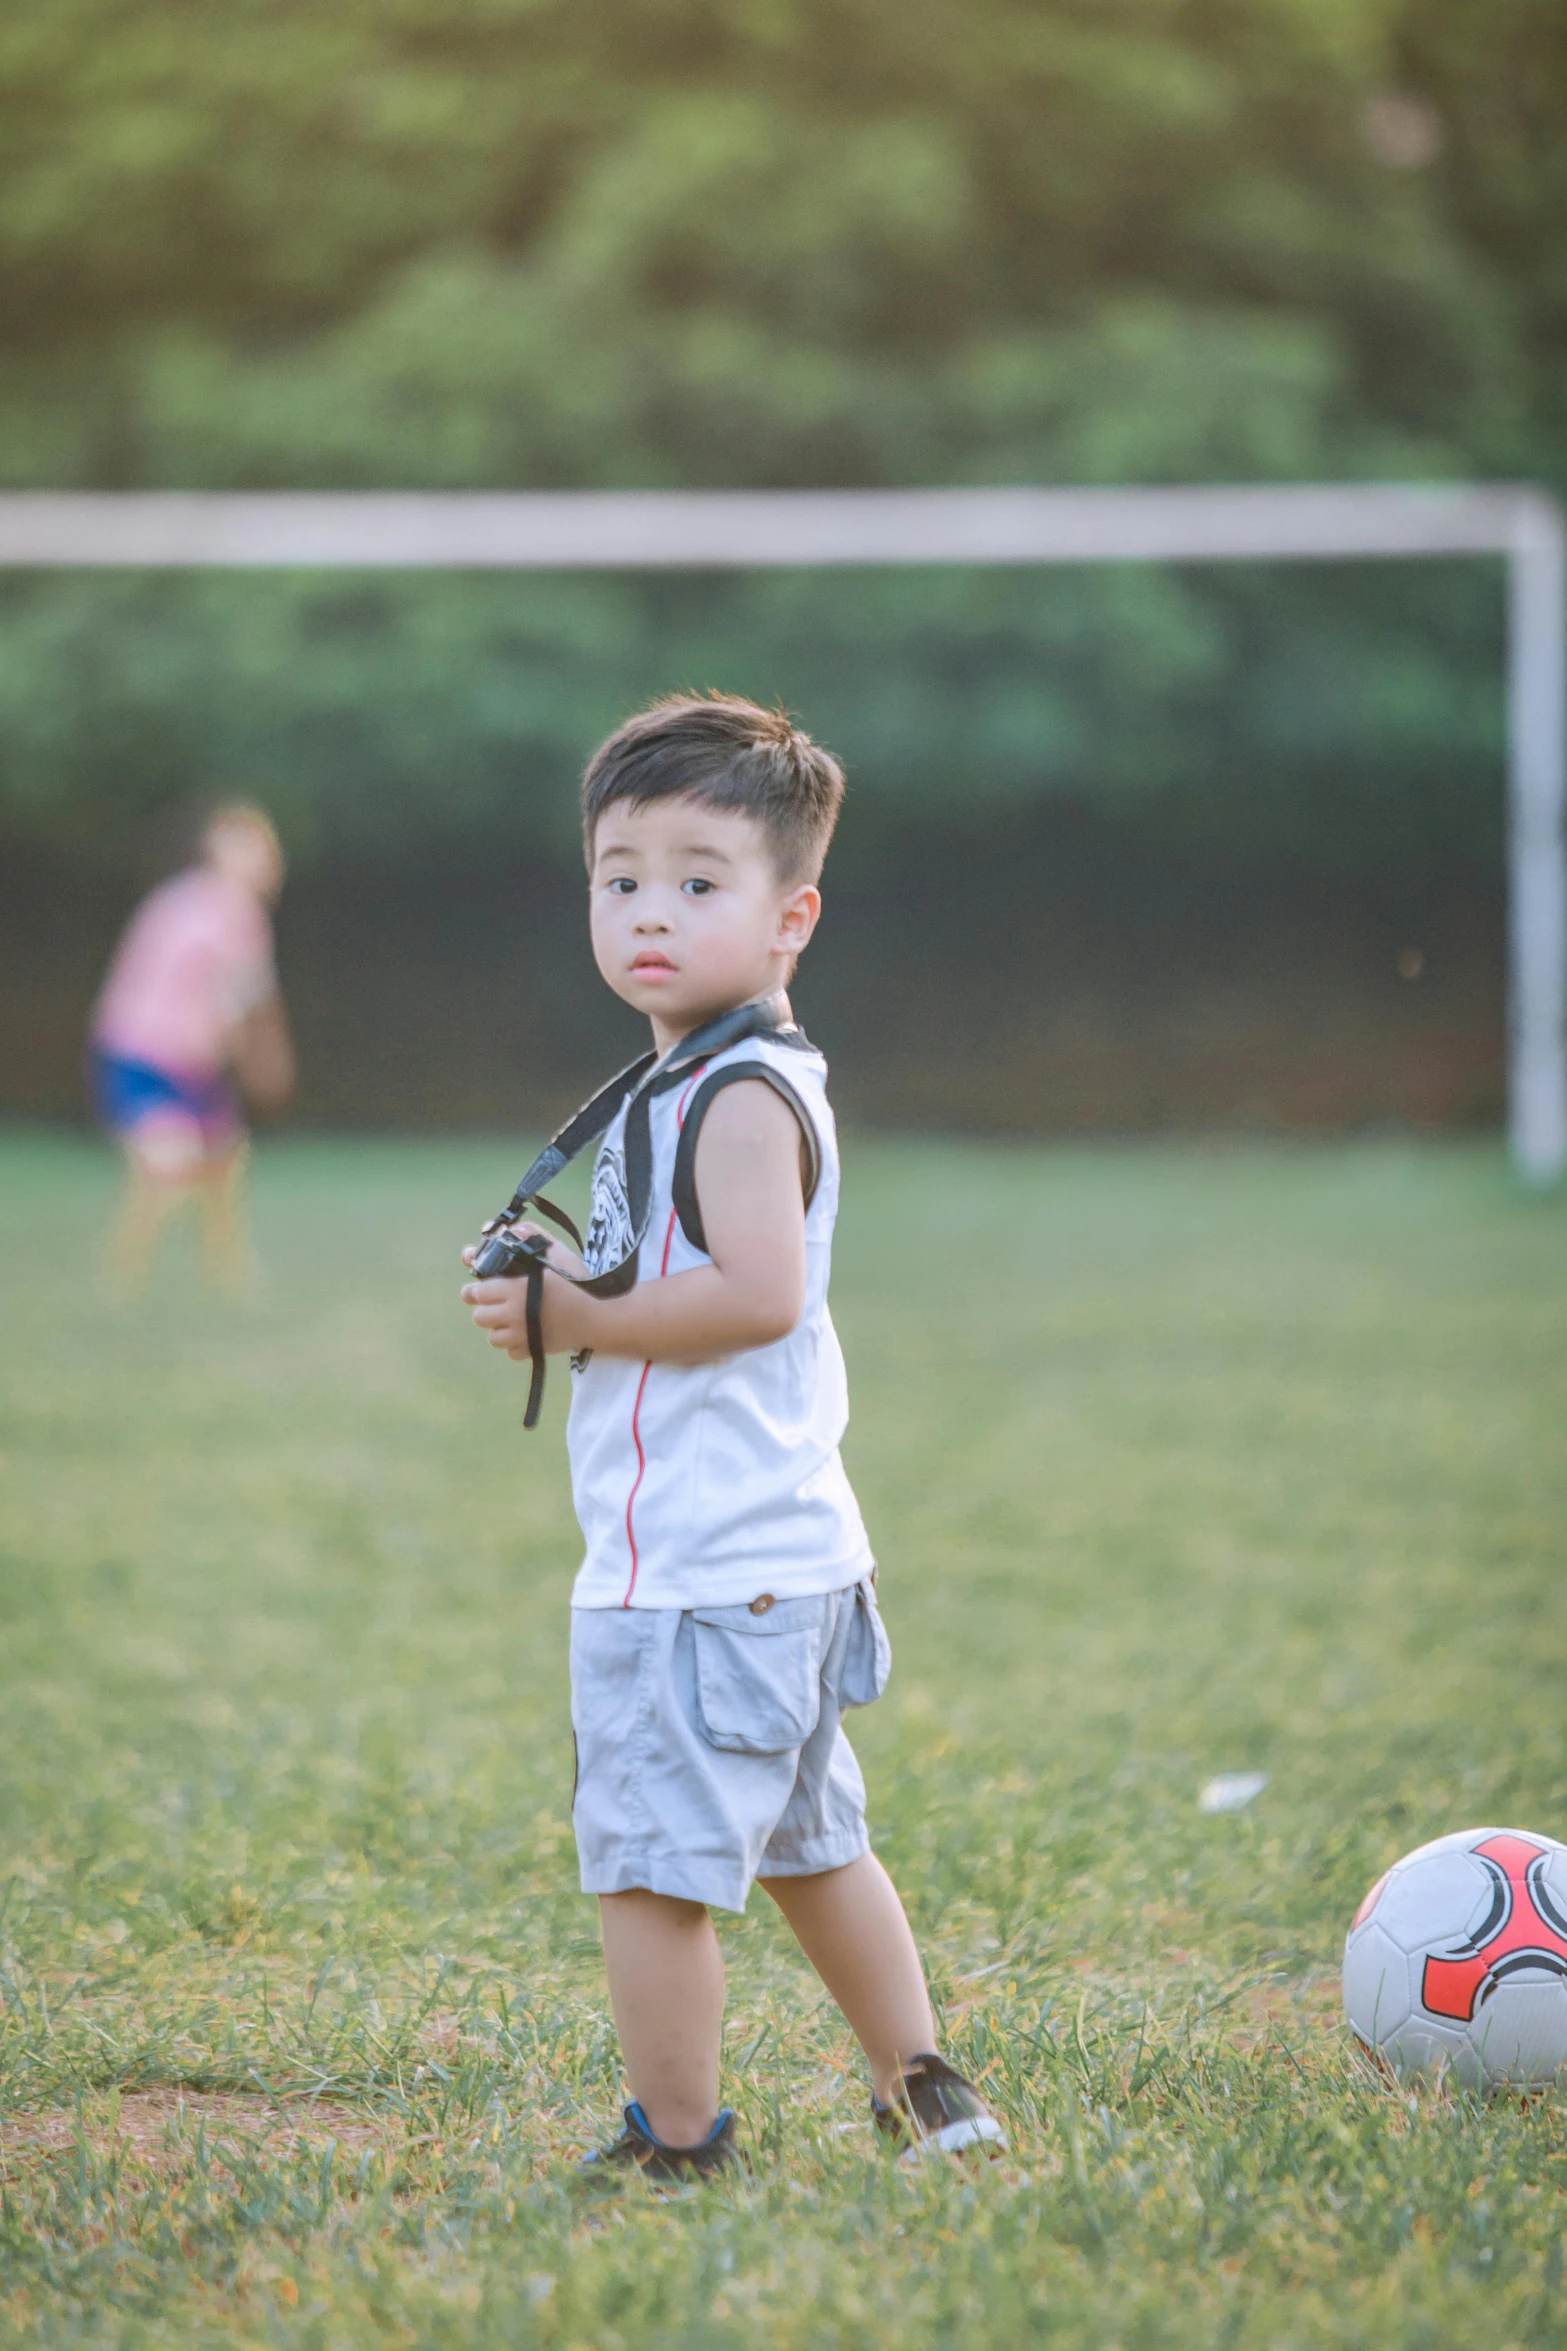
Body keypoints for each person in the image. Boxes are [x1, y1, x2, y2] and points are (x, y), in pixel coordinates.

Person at [461, 695, 1005, 2178]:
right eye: (619, 875)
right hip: (774, 1557)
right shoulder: (689, 1076)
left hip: (699, 1571)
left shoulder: (740, 1091)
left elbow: (757, 1292)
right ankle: (924, 2086)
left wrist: (565, 1317)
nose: (649, 910)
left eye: (699, 880)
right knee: (811, 1844)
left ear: (790, 917)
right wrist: (557, 1290)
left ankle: (677, 2140)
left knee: (648, 1875)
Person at [90, 801, 295, 1297]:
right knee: (172, 1165)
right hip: (147, 1057)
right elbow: (245, 1001)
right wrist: (265, 1062)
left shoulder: (181, 898)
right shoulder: (231, 910)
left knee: (225, 1162)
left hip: (183, 1063)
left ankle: (228, 1276)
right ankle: (123, 1279)